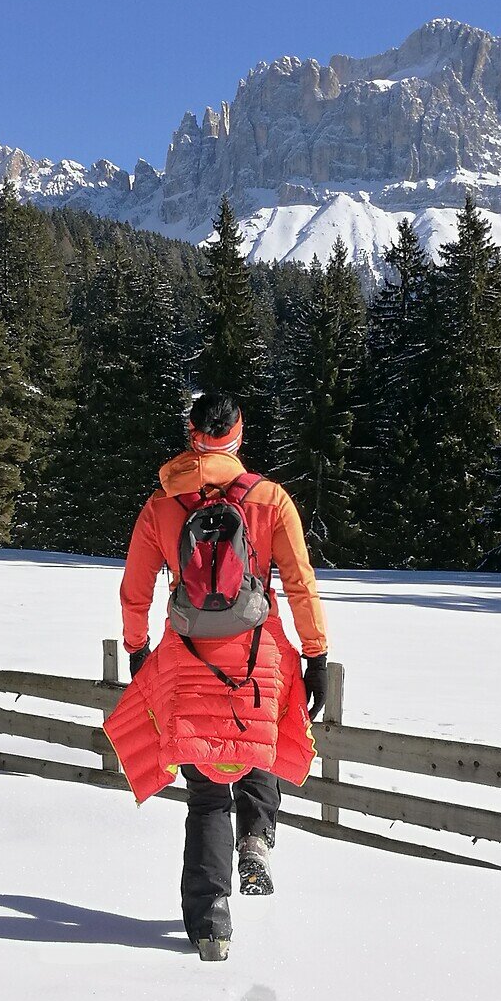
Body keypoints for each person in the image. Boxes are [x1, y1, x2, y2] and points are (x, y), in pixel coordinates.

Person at [103, 393, 329, 960]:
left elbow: (135, 589)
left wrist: (137, 648)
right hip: (258, 655)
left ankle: (210, 925)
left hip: (187, 658)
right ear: (238, 436)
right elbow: (300, 583)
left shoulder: (162, 505)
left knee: (206, 797)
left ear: (192, 434)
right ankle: (256, 837)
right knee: (259, 746)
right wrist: (316, 654)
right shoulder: (270, 499)